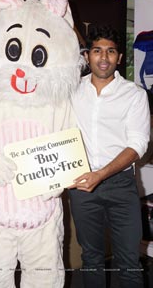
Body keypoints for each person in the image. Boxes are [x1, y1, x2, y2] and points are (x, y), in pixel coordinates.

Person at [68, 25, 150, 288]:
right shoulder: (70, 91)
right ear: (87, 56)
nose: (104, 58)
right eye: (97, 51)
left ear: (119, 58)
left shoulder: (134, 95)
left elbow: (138, 144)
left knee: (129, 262)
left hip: (121, 187)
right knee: (91, 258)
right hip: (81, 186)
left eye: (111, 51)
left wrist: (101, 175)